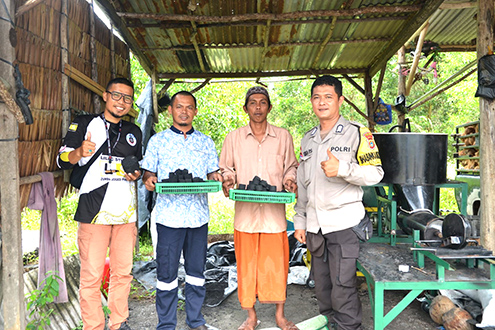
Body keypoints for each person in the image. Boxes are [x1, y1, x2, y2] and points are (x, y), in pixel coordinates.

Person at [293, 75, 384, 330]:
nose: (321, 102)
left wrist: (342, 168)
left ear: (340, 100)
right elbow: (303, 185)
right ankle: (331, 325)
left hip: (344, 226)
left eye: (328, 97)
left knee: (343, 289)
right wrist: (300, 220)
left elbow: (376, 174)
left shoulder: (357, 133)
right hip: (315, 228)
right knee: (322, 288)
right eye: (316, 97)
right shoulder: (307, 139)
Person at [57, 77, 142, 330]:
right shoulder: (85, 123)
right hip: (94, 211)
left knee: (122, 273)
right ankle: (93, 326)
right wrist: (79, 152)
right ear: (105, 96)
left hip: (126, 213)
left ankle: (119, 322)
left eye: (127, 98)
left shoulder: (133, 132)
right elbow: (62, 160)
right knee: (91, 276)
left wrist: (134, 174)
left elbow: (137, 170)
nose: (122, 102)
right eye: (117, 95)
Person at [141, 91, 222, 330]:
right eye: (179, 107)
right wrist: (149, 179)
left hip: (198, 217)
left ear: (195, 111)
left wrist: (216, 176)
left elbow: (212, 174)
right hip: (168, 217)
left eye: (189, 107)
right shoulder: (158, 141)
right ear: (171, 110)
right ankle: (166, 323)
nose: (184, 111)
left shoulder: (206, 142)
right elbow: (148, 172)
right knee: (166, 272)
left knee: (197, 270)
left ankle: (195, 319)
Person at [219, 86, 299, 330]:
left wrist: (289, 180)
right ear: (245, 108)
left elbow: (291, 166)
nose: (257, 107)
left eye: (262, 102)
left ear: (269, 107)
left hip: (274, 217)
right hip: (245, 216)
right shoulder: (233, 138)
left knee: (276, 266)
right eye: (252, 103)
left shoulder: (283, 136)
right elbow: (225, 167)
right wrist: (228, 179)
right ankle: (251, 317)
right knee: (247, 268)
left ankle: (280, 316)